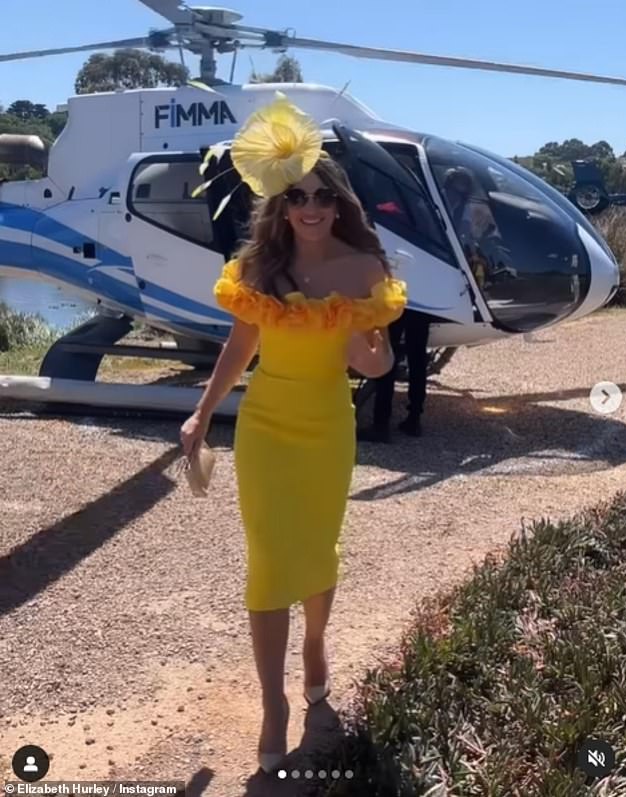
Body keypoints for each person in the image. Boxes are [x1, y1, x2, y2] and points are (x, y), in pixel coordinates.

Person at [179, 94, 407, 775]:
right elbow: (239, 346)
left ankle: (315, 642)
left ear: (339, 205)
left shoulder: (365, 271)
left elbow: (376, 357)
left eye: (322, 196)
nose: (310, 207)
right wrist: (201, 410)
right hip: (267, 427)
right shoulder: (258, 269)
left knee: (317, 545)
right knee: (270, 558)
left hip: (327, 427)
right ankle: (275, 702)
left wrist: (374, 357)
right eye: (297, 196)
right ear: (280, 204)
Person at [356, 307, 430, 442]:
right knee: (418, 357)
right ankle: (414, 418)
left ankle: (381, 424)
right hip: (422, 302)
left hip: (399, 300)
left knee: (388, 353)